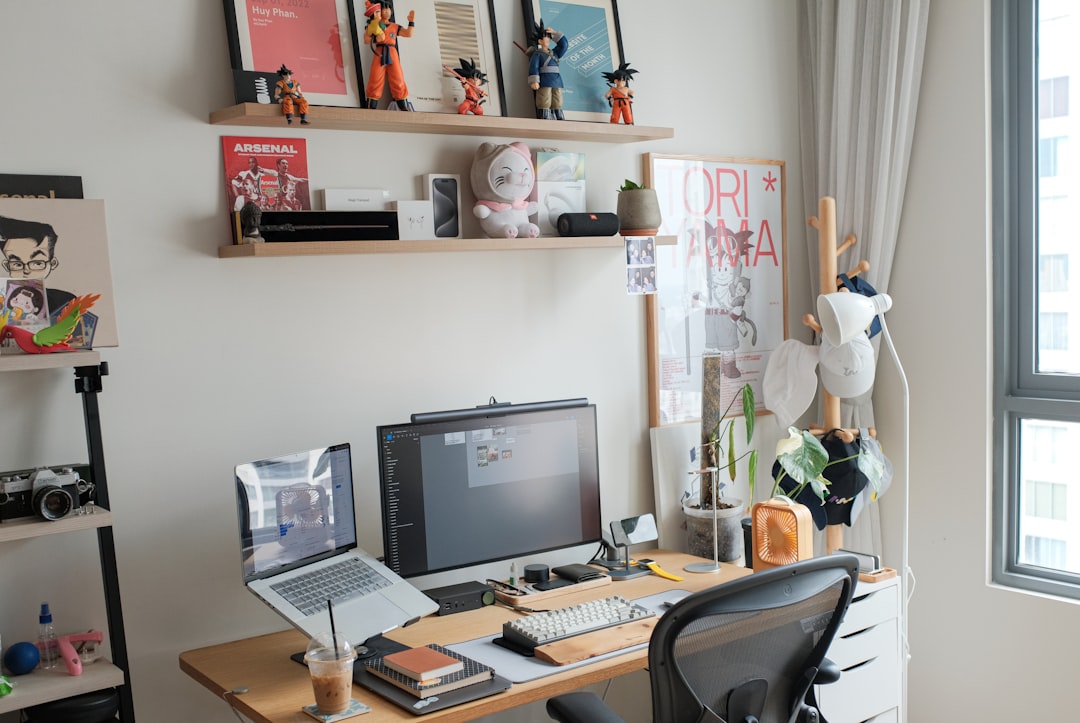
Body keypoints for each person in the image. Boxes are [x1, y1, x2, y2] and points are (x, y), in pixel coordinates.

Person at [363, 1, 416, 111]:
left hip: (392, 51)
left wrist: (411, 22)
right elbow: (366, 40)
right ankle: (371, 105)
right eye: (384, 9)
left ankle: (403, 105)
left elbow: (408, 34)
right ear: (377, 11)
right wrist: (375, 38)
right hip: (379, 52)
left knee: (398, 77)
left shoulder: (395, 26)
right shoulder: (373, 25)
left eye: (389, 9)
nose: (387, 11)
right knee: (375, 77)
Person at [527, 20, 568, 120]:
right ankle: (545, 114)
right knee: (544, 98)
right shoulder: (537, 54)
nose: (549, 40)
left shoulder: (555, 53)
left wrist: (555, 33)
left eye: (550, 38)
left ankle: (558, 114)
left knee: (557, 99)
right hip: (545, 79)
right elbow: (534, 67)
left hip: (556, 80)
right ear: (540, 41)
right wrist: (534, 81)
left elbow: (564, 45)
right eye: (547, 38)